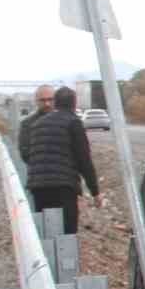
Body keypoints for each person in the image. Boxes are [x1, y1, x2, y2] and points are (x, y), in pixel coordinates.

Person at [25, 86, 102, 234]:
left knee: (47, 232)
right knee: (67, 235)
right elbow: (83, 159)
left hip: (38, 186)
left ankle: (46, 257)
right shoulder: (73, 122)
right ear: (74, 103)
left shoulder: (36, 125)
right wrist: (95, 192)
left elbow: (30, 154)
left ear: (56, 103)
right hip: (63, 187)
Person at [17, 84, 54, 164]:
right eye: (43, 100)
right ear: (36, 101)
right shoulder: (27, 124)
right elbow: (25, 153)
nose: (47, 103)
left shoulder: (65, 122)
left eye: (50, 99)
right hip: (39, 173)